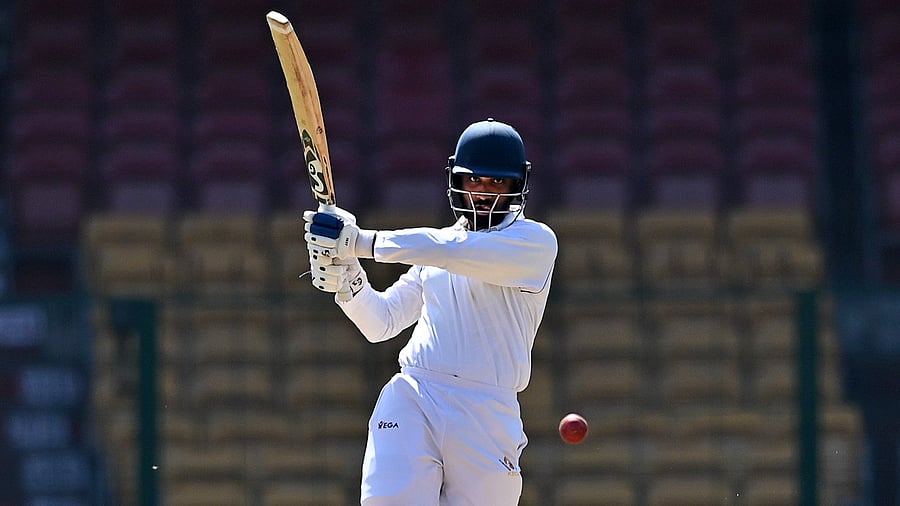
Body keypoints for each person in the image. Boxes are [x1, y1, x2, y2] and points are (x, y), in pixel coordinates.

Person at [303, 118, 557, 505]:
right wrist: (347, 276)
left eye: (496, 183)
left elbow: (454, 252)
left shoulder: (535, 244)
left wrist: (361, 242)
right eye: (474, 180)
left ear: (517, 186)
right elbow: (381, 323)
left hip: (486, 414)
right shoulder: (436, 251)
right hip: (416, 394)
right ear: (456, 179)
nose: (484, 192)